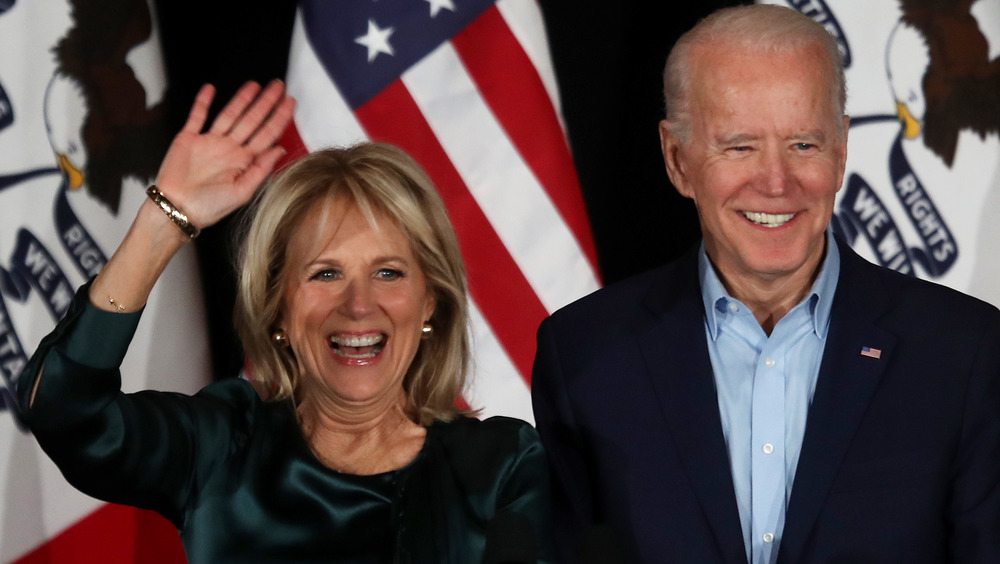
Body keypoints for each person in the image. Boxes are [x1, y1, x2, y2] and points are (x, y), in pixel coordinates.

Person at [531, 4, 1000, 563]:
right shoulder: (584, 354)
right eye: (740, 146)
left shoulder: (965, 353)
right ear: (678, 160)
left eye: (803, 143)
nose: (776, 183)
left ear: (842, 149)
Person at [19, 80, 552, 563]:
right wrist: (163, 222)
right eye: (325, 274)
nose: (359, 305)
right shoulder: (224, 443)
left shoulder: (500, 467)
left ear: (431, 302)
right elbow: (66, 410)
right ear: (276, 307)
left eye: (388, 272)